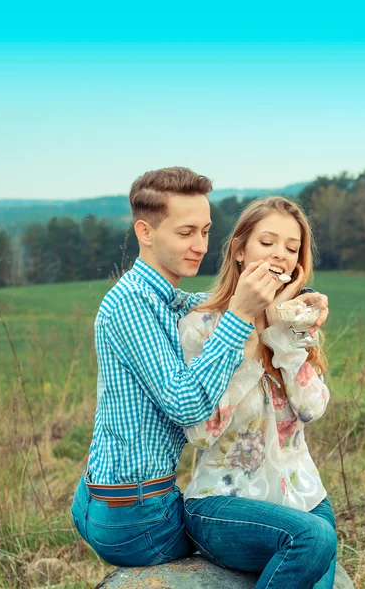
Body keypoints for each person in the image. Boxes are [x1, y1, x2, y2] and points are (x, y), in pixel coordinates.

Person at [70, 168, 328, 568]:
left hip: (118, 498)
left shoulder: (163, 298)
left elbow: (209, 304)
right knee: (304, 545)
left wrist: (298, 301)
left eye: (206, 232)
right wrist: (242, 314)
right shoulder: (130, 305)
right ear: (146, 232)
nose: (200, 245)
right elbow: (190, 409)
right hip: (138, 515)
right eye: (186, 232)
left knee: (313, 544)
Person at [179, 196, 336, 589]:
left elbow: (312, 407)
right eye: (267, 242)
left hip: (306, 500)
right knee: (312, 540)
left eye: (291, 247)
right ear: (238, 250)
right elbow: (201, 431)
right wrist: (246, 326)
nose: (279, 255)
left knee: (316, 536)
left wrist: (283, 331)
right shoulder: (199, 327)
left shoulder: (295, 323)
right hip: (223, 503)